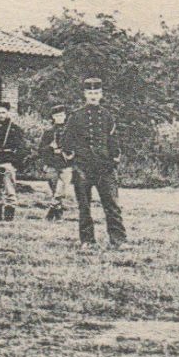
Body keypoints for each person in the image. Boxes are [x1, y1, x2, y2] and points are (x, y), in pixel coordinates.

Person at [63, 76, 128, 246]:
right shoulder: (76, 116)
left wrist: (114, 159)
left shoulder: (107, 116)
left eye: (96, 92)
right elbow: (67, 140)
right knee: (84, 206)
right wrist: (72, 158)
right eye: (90, 92)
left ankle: (118, 240)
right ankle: (87, 240)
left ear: (101, 94)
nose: (93, 95)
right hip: (83, 167)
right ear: (85, 94)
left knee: (112, 205)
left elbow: (113, 140)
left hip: (105, 167)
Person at [0, 101, 27, 221]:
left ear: (8, 113)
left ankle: (8, 218)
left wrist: (13, 163)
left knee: (9, 191)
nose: (1, 115)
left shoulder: (15, 129)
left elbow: (22, 149)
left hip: (7, 163)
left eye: (3, 112)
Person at [39, 104, 75, 222]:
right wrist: (50, 147)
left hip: (66, 164)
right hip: (52, 164)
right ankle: (58, 213)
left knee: (61, 189)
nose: (60, 117)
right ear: (53, 117)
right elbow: (41, 150)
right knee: (55, 190)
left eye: (61, 115)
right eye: (57, 115)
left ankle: (51, 210)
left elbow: (77, 147)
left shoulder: (70, 131)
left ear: (65, 116)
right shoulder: (48, 132)